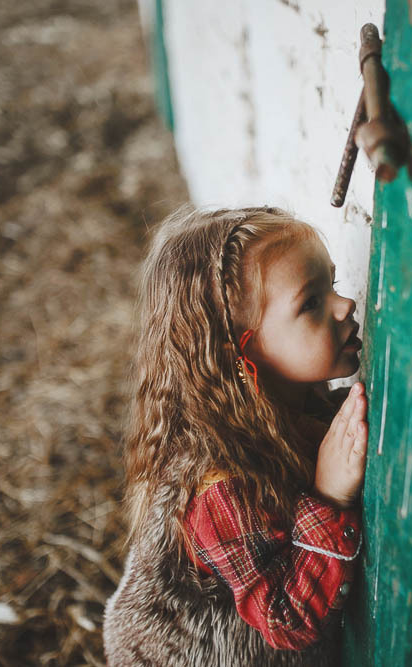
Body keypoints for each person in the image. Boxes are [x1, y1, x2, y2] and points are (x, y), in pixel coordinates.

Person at [103, 206, 369, 666]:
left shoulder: (290, 400)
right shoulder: (221, 489)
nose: (345, 305)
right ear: (245, 355)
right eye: (311, 302)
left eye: (334, 284)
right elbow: (286, 619)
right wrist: (329, 497)